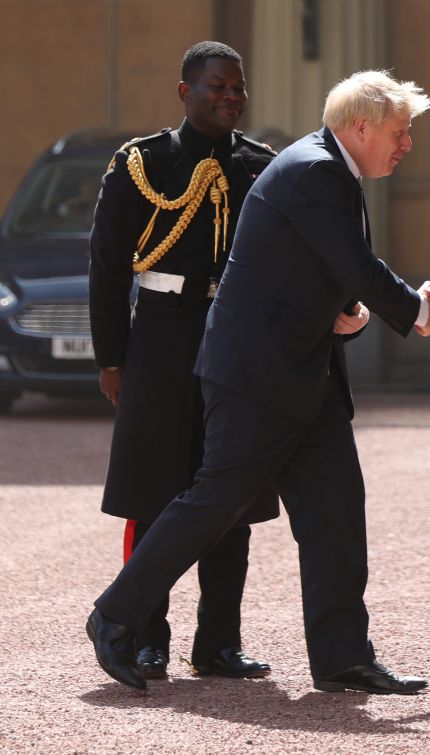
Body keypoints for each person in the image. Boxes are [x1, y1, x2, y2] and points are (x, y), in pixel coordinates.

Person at [86, 68, 430, 694]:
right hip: (258, 375)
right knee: (211, 504)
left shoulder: (326, 168)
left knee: (335, 511)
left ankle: (341, 656)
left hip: (305, 372)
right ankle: (115, 616)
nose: (406, 144)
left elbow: (323, 268)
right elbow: (357, 265)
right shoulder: (315, 170)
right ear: (361, 126)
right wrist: (415, 310)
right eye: (400, 131)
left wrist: (347, 311)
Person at [88, 41, 282, 681]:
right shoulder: (143, 163)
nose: (229, 97)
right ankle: (146, 634)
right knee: (155, 490)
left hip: (234, 337)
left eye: (237, 89)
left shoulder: (262, 166)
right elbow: (109, 267)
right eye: (216, 87)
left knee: (231, 489)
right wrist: (111, 358)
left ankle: (220, 642)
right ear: (184, 92)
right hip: (163, 336)